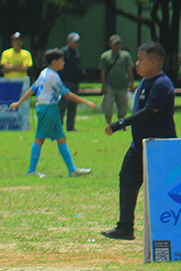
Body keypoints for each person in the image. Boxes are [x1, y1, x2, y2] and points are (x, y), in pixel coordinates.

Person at [100, 42, 177, 241]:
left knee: (163, 189)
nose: (136, 63)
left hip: (159, 149)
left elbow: (150, 111)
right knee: (127, 179)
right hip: (139, 147)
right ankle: (125, 227)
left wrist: (120, 123)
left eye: (141, 60)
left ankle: (169, 229)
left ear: (153, 62)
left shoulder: (162, 84)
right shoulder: (144, 81)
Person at [9, 49, 96, 178]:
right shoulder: (52, 76)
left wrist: (19, 102)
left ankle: (72, 170)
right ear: (54, 61)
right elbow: (66, 93)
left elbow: (33, 89)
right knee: (40, 138)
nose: (63, 63)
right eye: (61, 60)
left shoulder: (44, 73)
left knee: (61, 138)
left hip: (49, 108)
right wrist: (86, 102)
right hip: (48, 108)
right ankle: (32, 171)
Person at [99, 35, 135, 125]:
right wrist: (104, 85)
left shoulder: (125, 55)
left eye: (118, 44)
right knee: (108, 106)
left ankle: (121, 124)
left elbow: (129, 70)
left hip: (123, 85)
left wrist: (131, 83)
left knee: (123, 107)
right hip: (110, 85)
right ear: (110, 44)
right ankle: (109, 124)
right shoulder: (105, 56)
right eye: (115, 44)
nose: (117, 46)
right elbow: (103, 72)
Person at [58, 32, 82, 131]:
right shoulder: (63, 52)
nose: (77, 44)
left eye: (78, 42)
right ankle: (59, 126)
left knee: (73, 105)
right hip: (65, 82)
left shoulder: (77, 52)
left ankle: (70, 126)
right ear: (69, 41)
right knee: (62, 106)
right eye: (75, 42)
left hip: (75, 82)